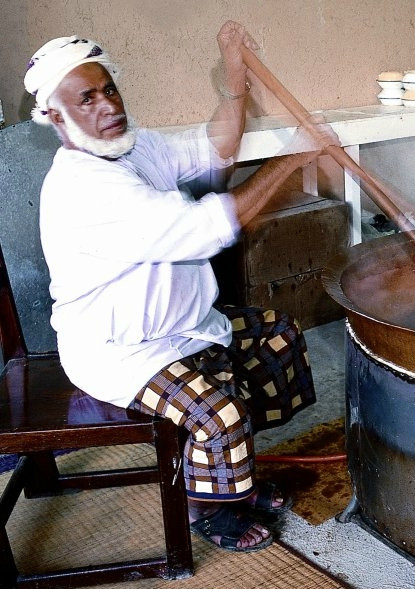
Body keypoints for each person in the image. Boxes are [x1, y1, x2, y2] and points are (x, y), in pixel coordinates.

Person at [24, 21, 337, 552]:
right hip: (124, 351)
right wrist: (294, 159)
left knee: (277, 337)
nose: (108, 106)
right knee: (219, 414)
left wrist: (234, 79)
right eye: (86, 99)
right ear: (56, 116)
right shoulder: (84, 188)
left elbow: (216, 149)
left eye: (108, 89)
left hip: (184, 324)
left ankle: (235, 472)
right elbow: (204, 227)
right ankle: (207, 508)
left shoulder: (133, 147)